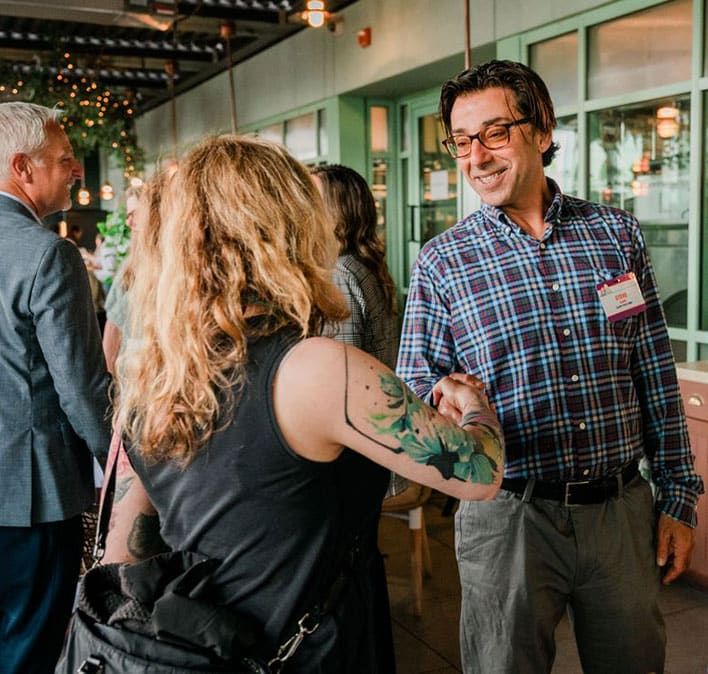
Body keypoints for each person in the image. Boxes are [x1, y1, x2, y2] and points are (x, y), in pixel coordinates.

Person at [103, 135, 505, 673]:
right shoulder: (315, 368)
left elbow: (123, 551)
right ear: (287, 227)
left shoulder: (156, 370)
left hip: (198, 642)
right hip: (308, 646)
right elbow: (479, 472)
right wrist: (473, 402)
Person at [397, 59, 705, 674]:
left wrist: (679, 495)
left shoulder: (615, 235)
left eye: (494, 133)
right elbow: (411, 395)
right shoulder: (443, 262)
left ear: (541, 130)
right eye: (461, 141)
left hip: (620, 511)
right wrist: (443, 396)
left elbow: (651, 368)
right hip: (506, 519)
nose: (476, 157)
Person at [0, 101, 112, 673]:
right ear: (23, 167)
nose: (75, 171)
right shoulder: (48, 254)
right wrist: (121, 469)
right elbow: (83, 389)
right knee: (29, 646)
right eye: (64, 160)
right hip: (31, 495)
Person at [311, 163, 400, 670]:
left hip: (351, 455)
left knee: (350, 574)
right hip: (372, 446)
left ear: (336, 211)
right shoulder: (363, 266)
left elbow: (337, 387)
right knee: (363, 565)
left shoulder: (342, 273)